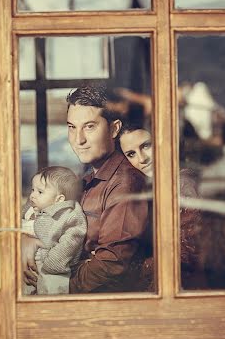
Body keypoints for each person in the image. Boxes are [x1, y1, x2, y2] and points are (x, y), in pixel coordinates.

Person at [25, 85, 150, 293]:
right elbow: (42, 210)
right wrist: (27, 239)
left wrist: (53, 288)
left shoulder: (126, 183)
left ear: (114, 129)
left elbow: (111, 265)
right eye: (72, 127)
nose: (78, 139)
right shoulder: (88, 180)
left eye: (89, 127)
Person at [119, 121, 200, 272]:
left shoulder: (181, 183)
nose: (142, 159)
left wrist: (139, 269)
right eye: (131, 154)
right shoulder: (152, 186)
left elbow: (186, 251)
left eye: (146, 146)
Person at [21, 166, 87, 295]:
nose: (32, 196)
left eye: (40, 192)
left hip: (52, 266)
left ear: (59, 199)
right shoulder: (31, 210)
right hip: (28, 263)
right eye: (32, 189)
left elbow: (71, 240)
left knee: (52, 294)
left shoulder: (69, 215)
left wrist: (53, 263)